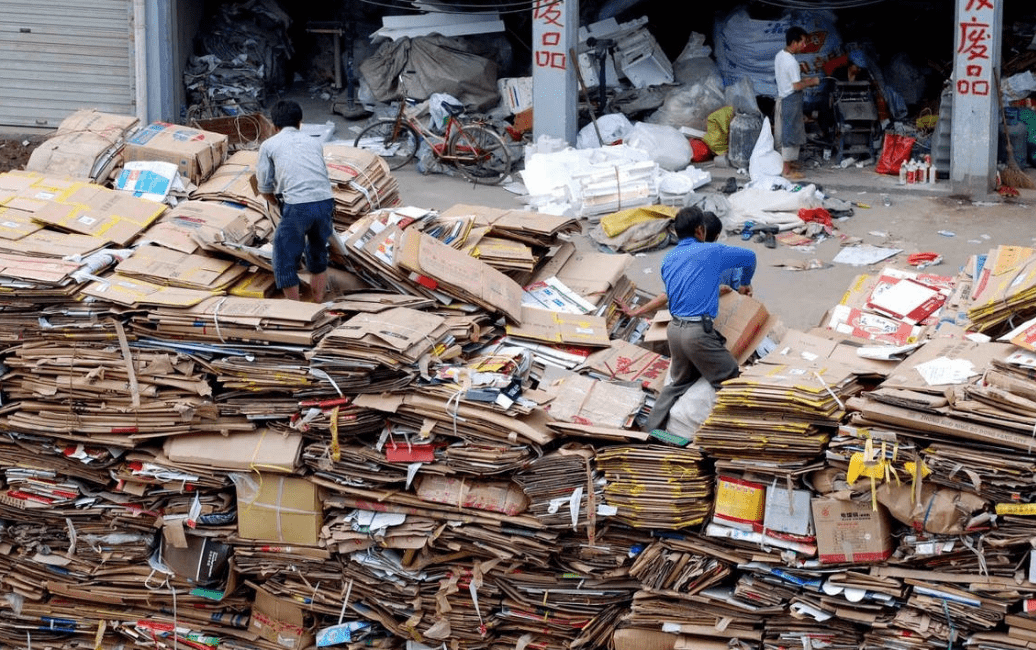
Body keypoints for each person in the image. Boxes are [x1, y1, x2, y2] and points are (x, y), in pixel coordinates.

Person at [626, 206, 757, 434]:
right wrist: (745, 283)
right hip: (697, 332)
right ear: (700, 230)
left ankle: (651, 433)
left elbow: (681, 292)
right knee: (730, 379)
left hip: (674, 330)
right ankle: (732, 436)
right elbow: (750, 258)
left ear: (676, 233)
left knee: (677, 384)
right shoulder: (711, 251)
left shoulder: (669, 258)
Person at [256, 100, 335, 302]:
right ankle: (318, 302)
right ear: (300, 123)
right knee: (317, 254)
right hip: (325, 201)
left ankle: (296, 310)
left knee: (283, 258)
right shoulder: (314, 142)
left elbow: (264, 187)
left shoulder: (269, 145)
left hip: (298, 206)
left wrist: (276, 204)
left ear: (274, 126)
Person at [775, 26, 821, 179]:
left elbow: (790, 81)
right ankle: (786, 170)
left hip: (783, 97)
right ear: (794, 42)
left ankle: (789, 163)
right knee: (790, 134)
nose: (804, 45)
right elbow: (796, 86)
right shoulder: (792, 63)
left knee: (789, 132)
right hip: (791, 100)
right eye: (803, 42)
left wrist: (805, 81)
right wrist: (812, 82)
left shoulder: (780, 56)